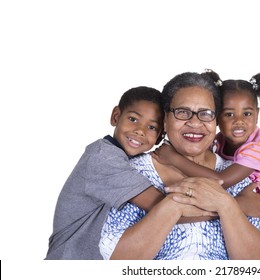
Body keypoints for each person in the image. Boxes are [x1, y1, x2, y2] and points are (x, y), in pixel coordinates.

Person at [99, 72, 260, 260]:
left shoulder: (237, 176)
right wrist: (230, 205)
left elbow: (257, 264)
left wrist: (227, 206)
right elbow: (119, 261)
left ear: (216, 121)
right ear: (165, 120)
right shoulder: (133, 173)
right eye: (182, 112)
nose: (194, 123)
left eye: (206, 114)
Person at [153, 70, 260, 260]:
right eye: (229, 114)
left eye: (247, 113)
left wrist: (174, 159)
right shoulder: (219, 141)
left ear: (257, 115)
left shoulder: (257, 149)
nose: (239, 121)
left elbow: (221, 180)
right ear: (217, 117)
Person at [45, 86, 169, 259]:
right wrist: (218, 206)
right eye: (133, 119)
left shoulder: (134, 162)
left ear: (160, 136)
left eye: (152, 127)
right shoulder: (104, 158)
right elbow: (164, 207)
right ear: (116, 116)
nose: (140, 130)